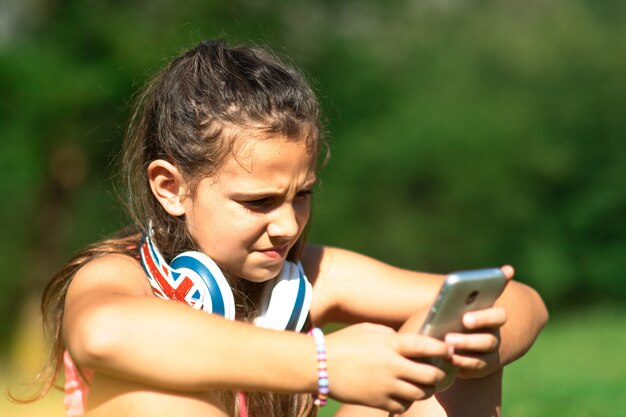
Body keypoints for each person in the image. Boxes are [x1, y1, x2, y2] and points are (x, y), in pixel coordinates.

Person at [25, 40, 547, 417]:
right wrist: (323, 364)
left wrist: (476, 346)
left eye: (303, 195)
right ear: (170, 187)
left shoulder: (312, 276)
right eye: (259, 202)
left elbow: (523, 300)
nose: (287, 225)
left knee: (432, 368)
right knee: (157, 397)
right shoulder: (120, 275)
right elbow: (103, 333)